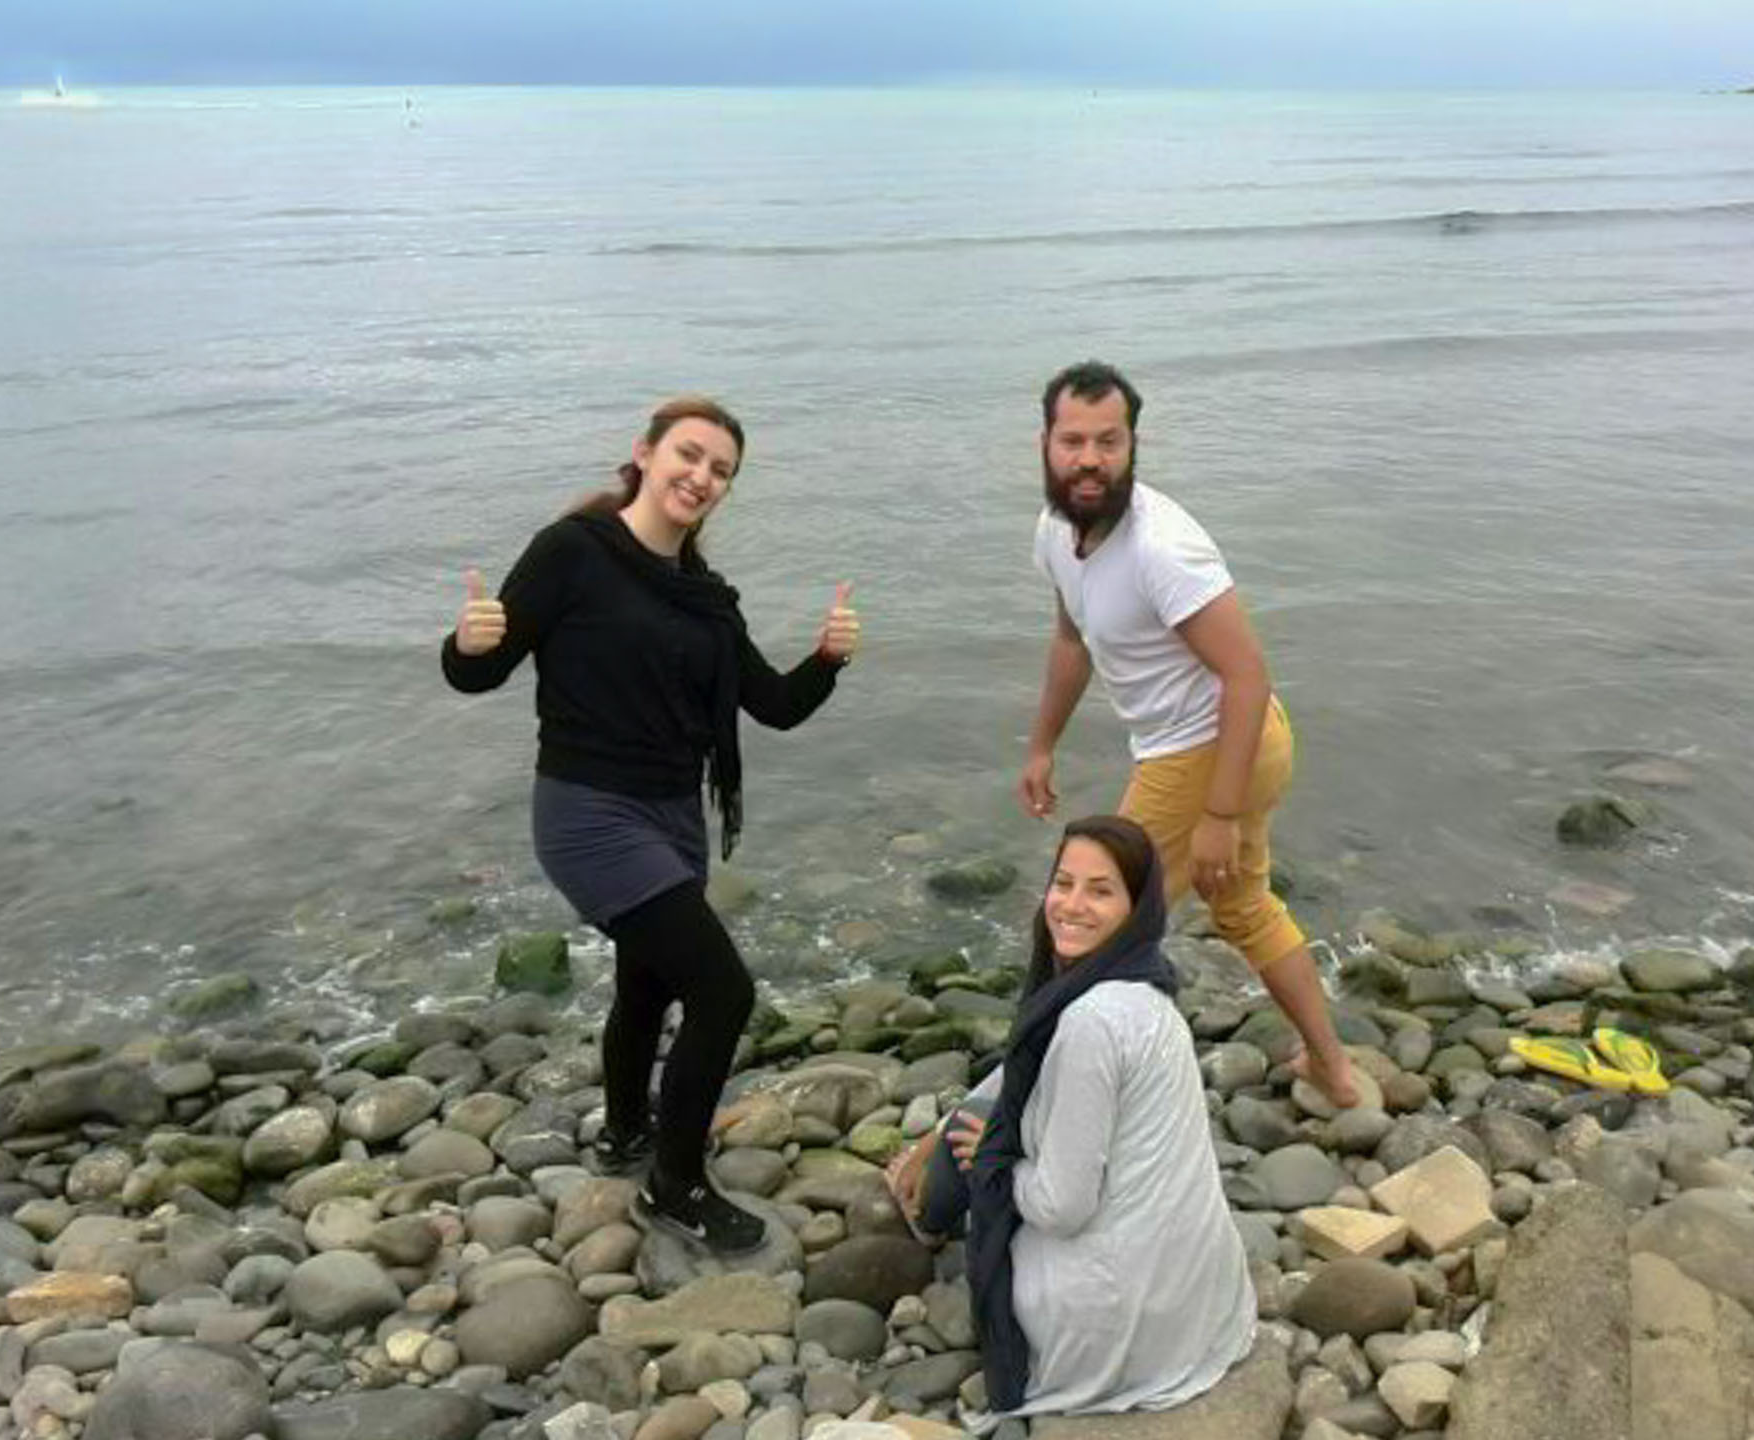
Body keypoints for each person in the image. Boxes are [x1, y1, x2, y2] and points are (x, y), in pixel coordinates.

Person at [440, 395, 859, 1255]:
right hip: (588, 812)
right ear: (645, 453)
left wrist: (827, 659)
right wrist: (468, 644)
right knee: (723, 991)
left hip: (673, 814)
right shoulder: (574, 554)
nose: (701, 477)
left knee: (650, 982)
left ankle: (628, 1132)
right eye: (690, 456)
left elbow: (772, 706)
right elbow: (479, 677)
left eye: (721, 471)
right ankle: (674, 1186)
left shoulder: (706, 598)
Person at [1017, 361, 1358, 1107]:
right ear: (1044, 442)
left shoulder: (1161, 546)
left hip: (1212, 747)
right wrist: (1043, 744)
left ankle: (1043, 1089)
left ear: (1133, 444)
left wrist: (1219, 815)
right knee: (1243, 907)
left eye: (1109, 442)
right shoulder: (1056, 531)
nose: (1090, 460)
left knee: (1089, 913)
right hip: (1228, 745)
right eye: (1074, 441)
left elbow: (1246, 676)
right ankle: (1332, 1069)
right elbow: (1073, 639)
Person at [891, 816, 1256, 1421]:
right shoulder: (1146, 986)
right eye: (1063, 883)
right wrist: (935, 1137)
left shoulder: (1090, 1023)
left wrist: (995, 1164)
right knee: (981, 1115)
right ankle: (930, 1188)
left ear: (1136, 906)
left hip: (1110, 1322)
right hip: (1195, 1297)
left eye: (1100, 890)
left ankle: (924, 1219)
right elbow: (1016, 1073)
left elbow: (1062, 1208)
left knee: (982, 1133)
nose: (1072, 906)